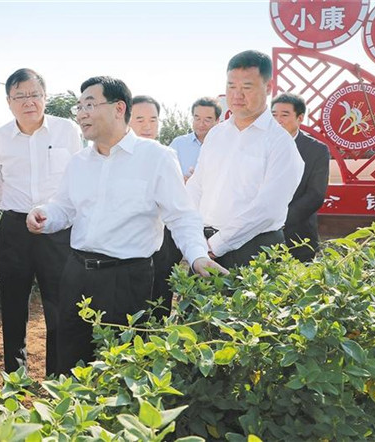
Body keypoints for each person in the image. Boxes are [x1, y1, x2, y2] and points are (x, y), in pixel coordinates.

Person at [26, 76, 227, 375]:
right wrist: (44, 214)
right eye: (79, 107)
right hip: (77, 275)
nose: (81, 114)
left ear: (119, 108)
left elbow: (181, 215)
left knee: (122, 370)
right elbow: (64, 208)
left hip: (126, 280)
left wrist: (197, 255)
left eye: (89, 105)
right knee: (71, 362)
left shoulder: (156, 158)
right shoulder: (79, 162)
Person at [0, 68, 82, 376]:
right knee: (13, 305)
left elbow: (78, 178)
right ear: (8, 101)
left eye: (34, 94)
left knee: (59, 304)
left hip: (58, 229)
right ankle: (15, 378)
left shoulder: (67, 131)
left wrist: (52, 212)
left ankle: (58, 377)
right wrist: (20, 211)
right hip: (15, 230)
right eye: (20, 96)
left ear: (45, 97)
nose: (29, 102)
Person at [186, 50, 304, 269]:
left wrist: (214, 246)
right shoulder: (216, 134)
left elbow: (267, 209)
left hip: (253, 250)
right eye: (231, 86)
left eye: (246, 87)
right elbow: (196, 186)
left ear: (268, 88)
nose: (237, 95)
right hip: (204, 246)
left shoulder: (280, 143)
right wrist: (193, 240)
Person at [130, 95, 181, 317]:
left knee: (160, 296)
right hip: (128, 247)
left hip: (161, 239)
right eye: (140, 119)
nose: (147, 126)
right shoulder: (114, 156)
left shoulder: (166, 156)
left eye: (153, 120)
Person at [272, 93, 330, 261]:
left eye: (284, 115)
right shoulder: (259, 146)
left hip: (298, 235)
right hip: (259, 235)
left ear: (300, 118)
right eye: (274, 115)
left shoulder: (316, 150)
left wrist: (280, 220)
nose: (278, 120)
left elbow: (315, 195)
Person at [169, 97, 221, 181]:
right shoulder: (178, 144)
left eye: (207, 120)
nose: (201, 124)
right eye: (197, 118)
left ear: (217, 121)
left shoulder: (224, 146)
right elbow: (165, 174)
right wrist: (180, 181)